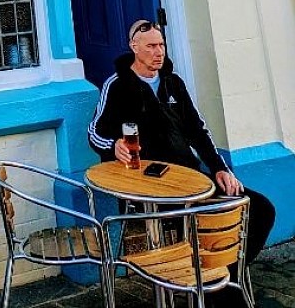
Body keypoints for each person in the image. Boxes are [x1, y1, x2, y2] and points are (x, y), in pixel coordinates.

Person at [88, 19, 276, 271]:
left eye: (162, 45)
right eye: (151, 46)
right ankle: (211, 282)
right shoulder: (117, 85)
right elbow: (94, 133)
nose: (159, 52)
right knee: (206, 222)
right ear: (134, 46)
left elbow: (199, 132)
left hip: (192, 180)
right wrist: (114, 147)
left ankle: (224, 275)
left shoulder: (173, 83)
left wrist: (220, 169)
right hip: (150, 188)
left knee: (261, 209)